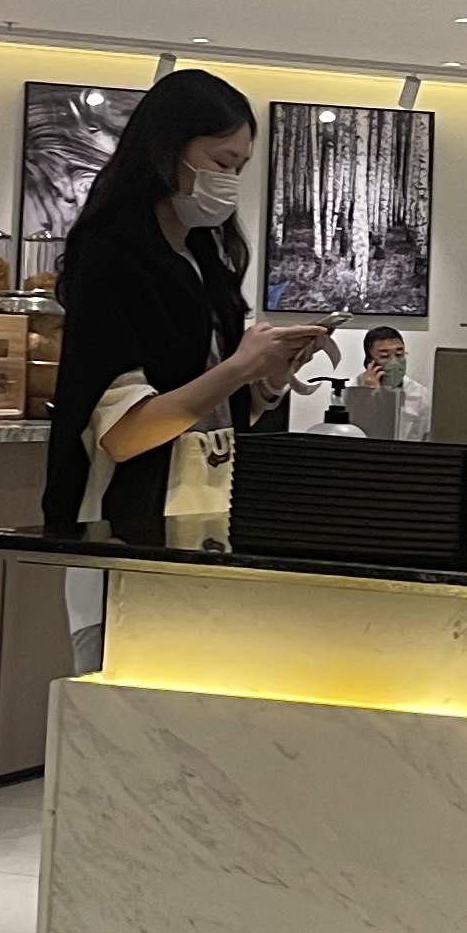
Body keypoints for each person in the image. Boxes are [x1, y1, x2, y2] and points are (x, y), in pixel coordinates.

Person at [40, 71, 329, 661]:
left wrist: (266, 377)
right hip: (128, 530)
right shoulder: (111, 257)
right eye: (221, 162)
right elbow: (126, 435)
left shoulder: (204, 257)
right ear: (168, 150)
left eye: (240, 168)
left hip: (200, 527)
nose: (229, 183)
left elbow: (208, 418)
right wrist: (239, 367)